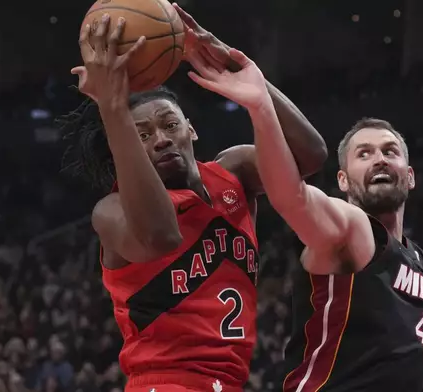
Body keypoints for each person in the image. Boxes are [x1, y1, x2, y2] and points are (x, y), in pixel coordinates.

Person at [59, 9, 327, 392]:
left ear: (191, 130)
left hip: (229, 382)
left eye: (169, 125)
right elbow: (160, 236)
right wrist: (113, 109)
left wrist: (251, 81)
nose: (162, 139)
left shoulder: (234, 171)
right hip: (165, 382)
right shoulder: (113, 211)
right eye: (143, 136)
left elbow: (309, 158)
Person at [207, 104, 423, 390]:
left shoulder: (420, 260)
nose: (379, 160)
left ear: (410, 176)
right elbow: (292, 196)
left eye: (390, 151)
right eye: (364, 154)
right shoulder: (349, 226)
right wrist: (261, 105)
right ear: (343, 181)